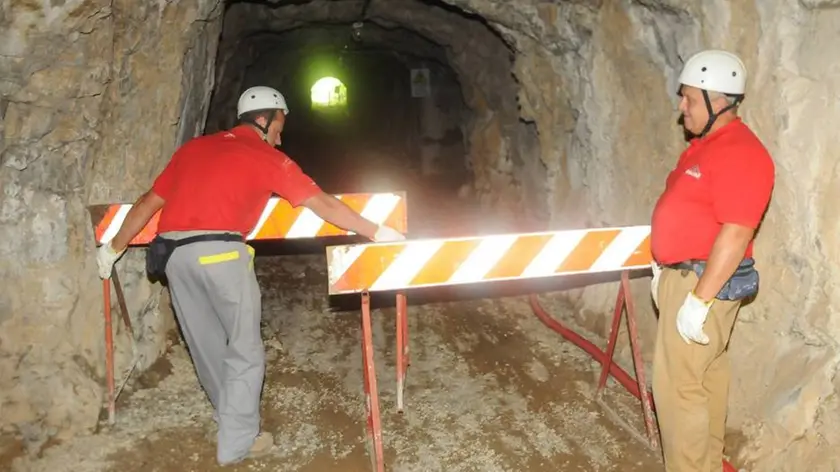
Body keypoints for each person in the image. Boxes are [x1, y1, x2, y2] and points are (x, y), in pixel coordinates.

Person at [95, 85, 405, 466]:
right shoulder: (265, 156)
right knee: (244, 350)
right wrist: (376, 231)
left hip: (175, 258)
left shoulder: (192, 149)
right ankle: (238, 443)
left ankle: (229, 417)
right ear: (264, 119)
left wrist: (112, 250)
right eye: (279, 125)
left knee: (205, 344)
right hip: (221, 254)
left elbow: (147, 204)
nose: (281, 134)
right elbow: (322, 203)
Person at [649, 50, 775, 471]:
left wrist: (698, 301)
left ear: (716, 100)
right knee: (704, 380)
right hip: (686, 278)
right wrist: (664, 267)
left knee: (678, 390)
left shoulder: (741, 150)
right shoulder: (707, 147)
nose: (680, 106)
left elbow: (737, 232)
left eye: (687, 97)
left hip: (703, 284)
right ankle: (705, 463)